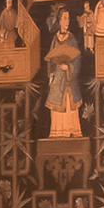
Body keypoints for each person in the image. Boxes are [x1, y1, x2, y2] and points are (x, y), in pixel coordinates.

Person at [42, 10, 85, 138]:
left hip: (69, 80)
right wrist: (50, 74)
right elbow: (50, 58)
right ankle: (57, 135)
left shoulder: (72, 39)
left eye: (68, 18)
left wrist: (69, 67)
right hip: (57, 80)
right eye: (65, 18)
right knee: (56, 108)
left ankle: (70, 134)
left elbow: (77, 59)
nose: (67, 21)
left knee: (69, 106)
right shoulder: (55, 39)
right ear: (60, 21)